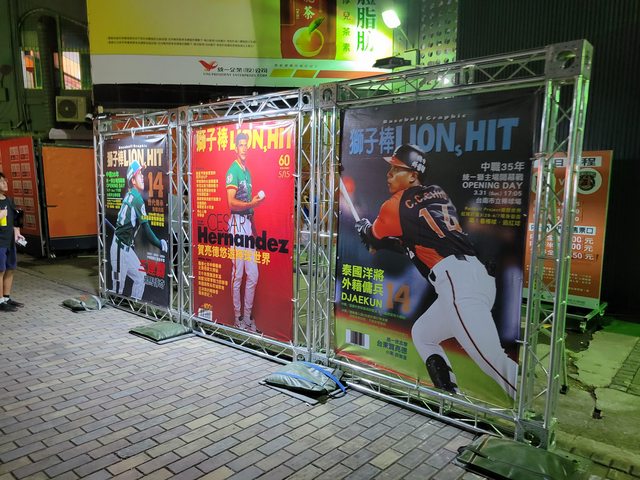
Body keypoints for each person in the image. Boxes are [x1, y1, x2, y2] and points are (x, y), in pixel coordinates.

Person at [355, 144, 518, 399]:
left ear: (413, 175)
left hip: (457, 282)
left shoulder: (394, 205)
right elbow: (415, 242)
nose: (389, 174)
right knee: (423, 333)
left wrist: (365, 230)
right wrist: (381, 241)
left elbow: (374, 235)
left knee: (492, 359)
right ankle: (449, 395)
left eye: (395, 168)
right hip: (475, 276)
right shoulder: (437, 192)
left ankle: (530, 407)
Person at [110, 160, 167, 300]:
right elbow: (146, 231)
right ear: (133, 180)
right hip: (119, 248)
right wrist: (160, 244)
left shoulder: (130, 195)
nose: (142, 176)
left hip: (124, 247)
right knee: (117, 291)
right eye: (139, 174)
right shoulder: (137, 199)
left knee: (141, 276)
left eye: (142, 173)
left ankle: (134, 304)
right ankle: (114, 311)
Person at [226, 133, 264, 332]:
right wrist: (252, 204)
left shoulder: (247, 172)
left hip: (247, 225)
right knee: (238, 274)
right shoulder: (233, 170)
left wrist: (254, 230)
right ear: (235, 148)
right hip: (236, 225)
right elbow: (231, 203)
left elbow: (249, 205)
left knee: (253, 274)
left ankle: (247, 318)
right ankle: (237, 318)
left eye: (245, 145)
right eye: (240, 145)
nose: (244, 148)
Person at [0, 172, 25, 312]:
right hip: (0, 242)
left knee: (10, 268)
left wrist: (17, 232)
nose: (5, 183)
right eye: (1, 181)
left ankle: (6, 297)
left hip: (9, 241)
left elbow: (16, 219)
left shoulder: (9, 200)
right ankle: (0, 301)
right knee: (0, 270)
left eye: (5, 181)